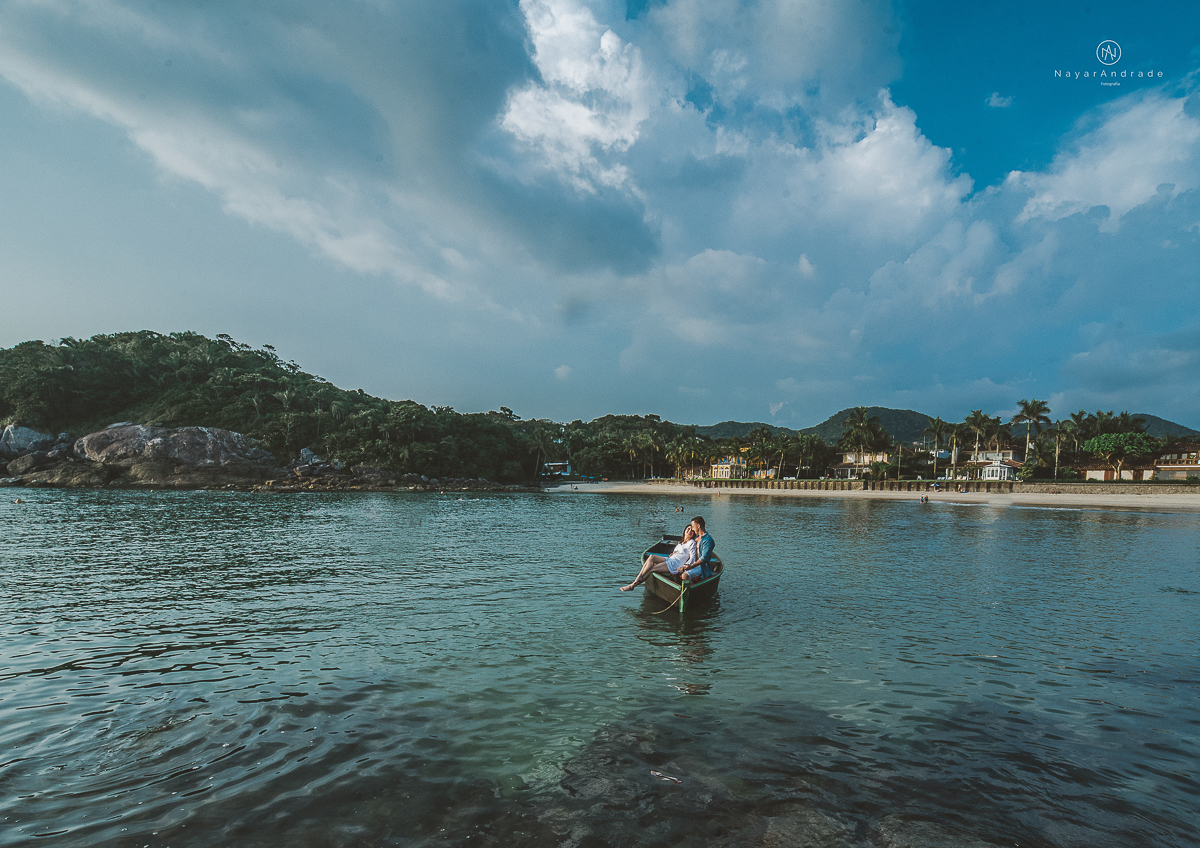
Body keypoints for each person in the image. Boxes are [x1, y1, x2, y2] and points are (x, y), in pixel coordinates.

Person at [621, 525, 696, 591]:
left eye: (692, 530)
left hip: (674, 564)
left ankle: (633, 585)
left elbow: (692, 558)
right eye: (688, 529)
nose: (690, 531)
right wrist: (672, 554)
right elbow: (678, 553)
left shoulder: (692, 543)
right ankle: (639, 577)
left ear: (693, 534)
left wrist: (685, 566)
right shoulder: (681, 543)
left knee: (651, 569)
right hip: (670, 559)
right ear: (684, 531)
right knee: (651, 557)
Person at [679, 516, 716, 584]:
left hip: (701, 567)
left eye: (693, 526)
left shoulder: (708, 540)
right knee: (674, 569)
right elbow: (685, 545)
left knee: (684, 575)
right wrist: (676, 553)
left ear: (698, 526)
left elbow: (704, 558)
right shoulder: (695, 537)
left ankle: (692, 591)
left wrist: (691, 566)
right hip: (691, 563)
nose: (692, 529)